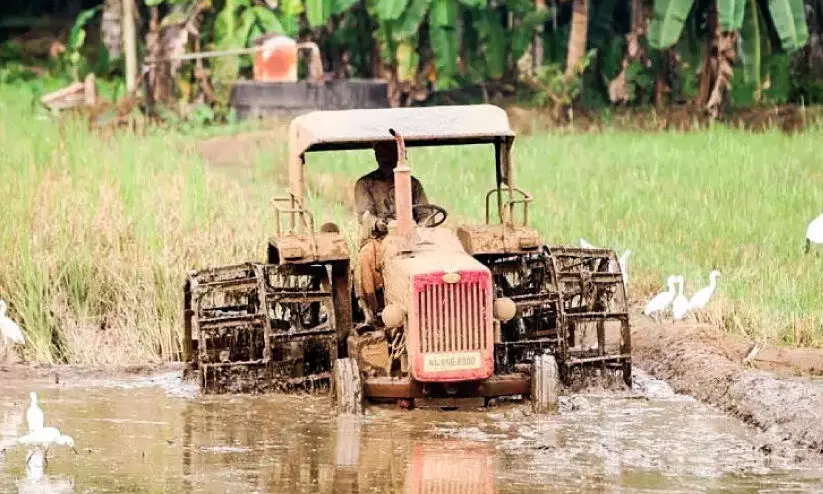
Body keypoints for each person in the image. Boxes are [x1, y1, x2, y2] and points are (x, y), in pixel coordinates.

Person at [353, 140, 428, 323]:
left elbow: (426, 214)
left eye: (390, 153)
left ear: (399, 155)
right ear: (377, 155)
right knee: (365, 257)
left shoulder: (413, 184)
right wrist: (380, 224)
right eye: (382, 153)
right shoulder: (366, 184)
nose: (386, 158)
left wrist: (421, 227)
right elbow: (365, 216)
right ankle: (371, 312)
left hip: (412, 238)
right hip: (381, 238)